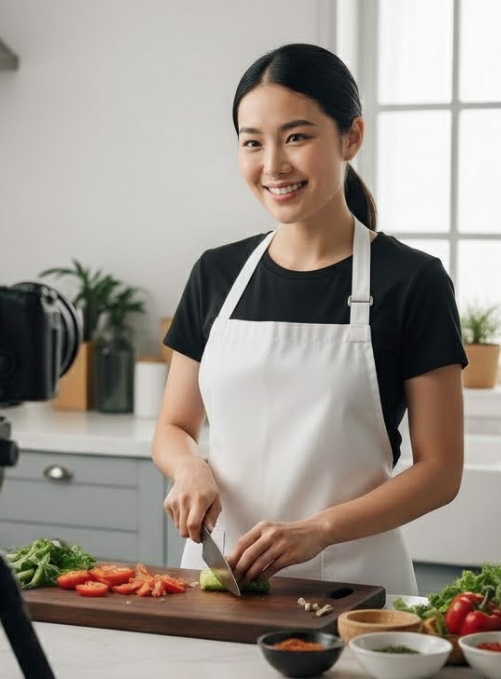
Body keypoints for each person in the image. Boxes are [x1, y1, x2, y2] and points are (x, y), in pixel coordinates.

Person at [152, 43, 467, 595]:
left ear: (351, 137)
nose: (273, 164)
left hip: (358, 589)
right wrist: (188, 469)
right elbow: (173, 428)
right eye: (253, 142)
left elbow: (440, 472)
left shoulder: (412, 281)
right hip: (216, 580)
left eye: (296, 137)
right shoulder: (216, 273)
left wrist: (320, 530)